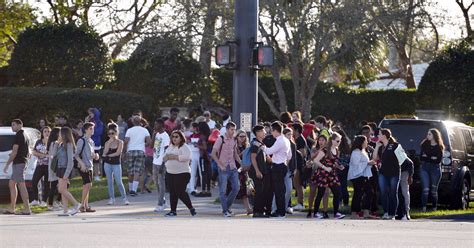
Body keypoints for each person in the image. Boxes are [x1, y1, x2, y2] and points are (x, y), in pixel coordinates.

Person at [310, 132, 346, 219]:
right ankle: (315, 213)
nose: (339, 142)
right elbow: (316, 161)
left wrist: (339, 166)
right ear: (332, 140)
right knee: (320, 193)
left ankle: (336, 213)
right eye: (337, 141)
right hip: (323, 174)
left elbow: (334, 162)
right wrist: (325, 168)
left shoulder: (337, 150)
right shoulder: (325, 150)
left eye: (340, 141)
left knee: (337, 192)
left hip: (332, 174)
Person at [211, 121, 241, 217]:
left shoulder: (234, 140)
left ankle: (227, 207)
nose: (233, 131)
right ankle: (225, 211)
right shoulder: (221, 139)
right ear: (227, 129)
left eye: (234, 129)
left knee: (236, 188)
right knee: (223, 191)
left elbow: (235, 153)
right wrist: (220, 165)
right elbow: (213, 153)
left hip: (233, 167)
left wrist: (242, 163)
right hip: (223, 168)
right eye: (232, 129)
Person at [163, 130, 196, 217]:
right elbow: (165, 157)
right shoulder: (170, 147)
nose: (174, 138)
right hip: (170, 173)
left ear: (181, 138)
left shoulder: (184, 147)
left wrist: (174, 157)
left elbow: (187, 157)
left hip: (182, 173)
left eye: (176, 137)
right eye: (173, 137)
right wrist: (167, 158)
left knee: (180, 192)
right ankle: (173, 211)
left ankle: (191, 208)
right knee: (172, 192)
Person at [2, 119, 32, 215]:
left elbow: (15, 151)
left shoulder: (18, 135)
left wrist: (7, 164)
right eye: (12, 125)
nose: (12, 127)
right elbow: (26, 150)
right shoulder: (25, 135)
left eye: (14, 125)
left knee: (21, 185)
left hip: (19, 163)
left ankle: (27, 209)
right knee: (11, 184)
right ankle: (12, 208)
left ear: (20, 125)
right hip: (21, 162)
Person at [263, 121, 292, 218]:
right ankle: (280, 211)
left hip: (278, 166)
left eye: (272, 131)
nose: (271, 133)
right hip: (283, 165)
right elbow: (289, 155)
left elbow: (269, 150)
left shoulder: (280, 141)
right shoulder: (286, 140)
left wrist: (262, 147)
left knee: (279, 190)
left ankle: (281, 212)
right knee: (281, 190)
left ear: (276, 131)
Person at [373, 128, 402, 220]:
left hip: (394, 172)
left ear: (384, 135)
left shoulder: (395, 145)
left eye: (379, 134)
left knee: (393, 193)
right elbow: (374, 158)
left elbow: (402, 158)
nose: (378, 136)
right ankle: (386, 212)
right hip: (383, 172)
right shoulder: (381, 147)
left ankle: (392, 214)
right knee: (383, 192)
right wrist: (377, 147)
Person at [53, 127, 82, 216]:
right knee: (63, 190)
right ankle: (65, 210)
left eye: (60, 133)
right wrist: (56, 144)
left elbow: (70, 160)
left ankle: (76, 204)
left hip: (65, 169)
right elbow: (54, 156)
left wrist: (67, 173)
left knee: (61, 189)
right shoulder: (60, 144)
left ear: (64, 134)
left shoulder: (69, 145)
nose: (59, 135)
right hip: (59, 168)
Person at [102, 123, 129, 206]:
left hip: (116, 163)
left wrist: (109, 155)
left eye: (112, 133)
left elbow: (118, 153)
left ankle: (124, 198)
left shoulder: (120, 142)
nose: (110, 135)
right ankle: (111, 198)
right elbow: (104, 153)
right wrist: (109, 143)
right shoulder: (107, 142)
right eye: (109, 134)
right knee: (109, 181)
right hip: (107, 164)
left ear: (116, 133)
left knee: (118, 181)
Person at [348, 135, 374, 219]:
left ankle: (366, 211)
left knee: (369, 192)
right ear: (361, 142)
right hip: (357, 176)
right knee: (358, 194)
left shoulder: (363, 151)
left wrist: (369, 162)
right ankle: (354, 213)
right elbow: (355, 165)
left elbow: (364, 162)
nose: (367, 142)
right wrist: (368, 163)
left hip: (364, 175)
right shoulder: (356, 152)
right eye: (365, 141)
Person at [124, 116, 151, 196]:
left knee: (130, 170)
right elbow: (149, 142)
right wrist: (142, 144)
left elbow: (126, 141)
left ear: (132, 122)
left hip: (130, 150)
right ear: (140, 121)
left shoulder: (129, 130)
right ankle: (134, 190)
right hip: (140, 151)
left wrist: (124, 151)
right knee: (137, 170)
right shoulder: (144, 130)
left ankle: (130, 188)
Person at [75, 122, 99, 213]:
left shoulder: (91, 141)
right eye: (90, 128)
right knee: (88, 184)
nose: (92, 130)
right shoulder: (82, 140)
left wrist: (95, 156)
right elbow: (76, 155)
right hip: (83, 165)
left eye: (93, 128)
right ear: (85, 130)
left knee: (86, 186)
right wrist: (82, 164)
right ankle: (81, 205)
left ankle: (86, 206)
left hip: (90, 165)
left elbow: (90, 154)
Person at [249, 125, 272, 218]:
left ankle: (261, 211)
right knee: (259, 192)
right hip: (257, 172)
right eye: (263, 131)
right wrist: (257, 171)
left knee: (263, 191)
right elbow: (253, 158)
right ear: (257, 133)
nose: (265, 133)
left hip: (264, 171)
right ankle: (257, 212)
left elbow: (267, 158)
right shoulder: (255, 144)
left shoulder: (262, 144)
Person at [420, 128, 445, 212]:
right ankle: (424, 208)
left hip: (435, 168)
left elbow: (438, 160)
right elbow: (421, 157)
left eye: (429, 134)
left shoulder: (439, 147)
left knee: (434, 190)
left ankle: (434, 208)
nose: (427, 135)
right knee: (425, 189)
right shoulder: (424, 144)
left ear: (434, 135)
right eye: (427, 134)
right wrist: (431, 157)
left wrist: (427, 157)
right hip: (424, 168)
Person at [307, 135, 329, 218]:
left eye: (323, 140)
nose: (321, 142)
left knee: (326, 193)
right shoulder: (314, 149)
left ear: (326, 141)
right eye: (320, 140)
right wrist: (320, 150)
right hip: (314, 172)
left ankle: (325, 211)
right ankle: (310, 210)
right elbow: (312, 157)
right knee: (312, 192)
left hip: (325, 174)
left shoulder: (329, 150)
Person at [151, 118, 170, 212]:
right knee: (156, 183)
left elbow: (167, 151)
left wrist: (163, 164)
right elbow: (151, 146)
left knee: (161, 183)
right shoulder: (157, 134)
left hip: (161, 163)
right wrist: (153, 135)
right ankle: (163, 201)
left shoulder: (165, 136)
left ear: (161, 126)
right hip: (155, 161)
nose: (154, 127)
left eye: (156, 125)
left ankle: (160, 204)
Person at [30, 126, 52, 207]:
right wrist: (43, 155)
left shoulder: (52, 142)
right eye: (45, 131)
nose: (47, 133)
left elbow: (52, 154)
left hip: (48, 166)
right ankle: (35, 199)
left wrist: (46, 154)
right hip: (40, 165)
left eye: (48, 131)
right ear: (42, 133)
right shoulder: (38, 142)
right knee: (34, 181)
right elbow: (34, 152)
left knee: (46, 184)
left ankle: (44, 201)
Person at [360, 125, 379, 217]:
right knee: (364, 191)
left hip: (373, 169)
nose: (366, 134)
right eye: (364, 133)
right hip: (363, 170)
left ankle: (373, 209)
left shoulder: (374, 144)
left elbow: (378, 156)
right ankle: (362, 208)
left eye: (368, 132)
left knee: (374, 190)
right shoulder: (359, 144)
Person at [235, 129, 252, 215]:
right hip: (236, 168)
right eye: (241, 136)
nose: (243, 138)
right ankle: (227, 207)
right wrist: (242, 153)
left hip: (245, 169)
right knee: (234, 188)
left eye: (244, 136)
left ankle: (248, 208)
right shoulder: (235, 146)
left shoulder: (246, 146)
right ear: (237, 137)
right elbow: (235, 156)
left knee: (245, 189)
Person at [333, 127, 351, 208]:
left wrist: (339, 165)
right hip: (345, 168)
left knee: (338, 186)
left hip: (338, 168)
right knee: (344, 186)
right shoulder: (347, 147)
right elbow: (348, 159)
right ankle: (346, 203)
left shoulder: (337, 147)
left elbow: (336, 158)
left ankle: (339, 202)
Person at [86, 108, 104, 182]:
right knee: (88, 159)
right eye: (89, 113)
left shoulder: (99, 123)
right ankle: (89, 176)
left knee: (96, 160)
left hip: (96, 143)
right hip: (88, 142)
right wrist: (86, 122)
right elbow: (84, 130)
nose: (90, 115)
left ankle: (96, 175)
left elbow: (98, 132)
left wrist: (91, 130)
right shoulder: (88, 122)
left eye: (91, 113)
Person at [291, 123, 307, 211]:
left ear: (296, 130)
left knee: (298, 184)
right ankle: (299, 202)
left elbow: (303, 153)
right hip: (295, 164)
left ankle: (300, 203)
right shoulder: (296, 139)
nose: (291, 131)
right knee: (296, 184)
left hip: (299, 165)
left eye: (292, 129)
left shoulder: (300, 139)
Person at [47, 127, 62, 211]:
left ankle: (57, 201)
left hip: (57, 167)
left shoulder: (57, 143)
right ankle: (50, 204)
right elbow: (53, 156)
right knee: (53, 185)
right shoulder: (54, 144)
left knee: (62, 185)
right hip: (54, 167)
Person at [196, 121, 212, 197]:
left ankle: (203, 191)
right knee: (208, 173)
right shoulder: (209, 135)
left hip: (203, 156)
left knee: (203, 174)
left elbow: (204, 147)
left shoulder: (202, 136)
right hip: (208, 157)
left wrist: (196, 145)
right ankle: (208, 190)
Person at [187, 122, 200, 195]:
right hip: (192, 154)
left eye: (191, 127)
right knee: (192, 172)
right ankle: (192, 188)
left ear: (194, 128)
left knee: (201, 173)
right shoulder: (191, 136)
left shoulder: (200, 135)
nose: (190, 128)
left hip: (199, 154)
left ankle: (202, 188)